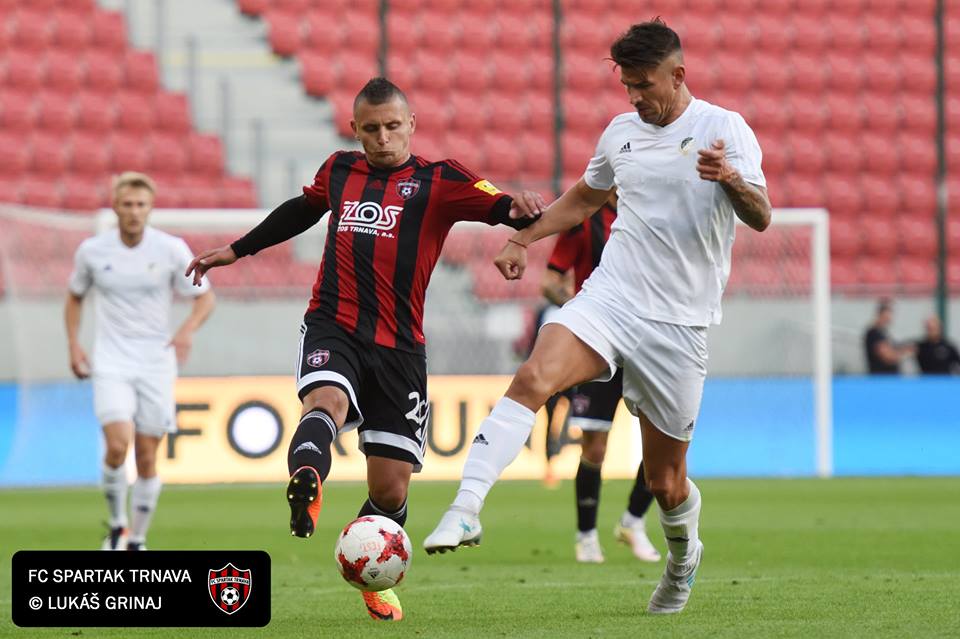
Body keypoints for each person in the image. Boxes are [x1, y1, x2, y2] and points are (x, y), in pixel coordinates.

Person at [424, 20, 771, 616]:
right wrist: (522, 240)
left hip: (680, 325)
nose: (634, 97)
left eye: (643, 84)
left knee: (665, 483)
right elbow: (584, 198)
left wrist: (733, 180)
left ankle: (683, 558)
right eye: (627, 85)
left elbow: (761, 215)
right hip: (611, 299)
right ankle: (466, 506)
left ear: (677, 75)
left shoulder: (723, 128)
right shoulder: (620, 134)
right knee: (533, 376)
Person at [184, 78, 542, 622]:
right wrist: (238, 249)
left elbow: (500, 205)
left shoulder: (439, 179)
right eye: (370, 128)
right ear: (355, 129)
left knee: (392, 490)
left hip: (401, 348)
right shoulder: (339, 170)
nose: (382, 137)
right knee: (323, 400)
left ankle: (367, 568)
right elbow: (302, 209)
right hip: (335, 323)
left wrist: (520, 212)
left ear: (411, 124)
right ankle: (308, 481)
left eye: (392, 126)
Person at [65, 172, 215, 552]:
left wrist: (187, 331)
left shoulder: (170, 249)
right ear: (115, 206)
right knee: (118, 446)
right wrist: (73, 344)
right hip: (111, 360)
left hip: (156, 362)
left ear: (150, 208)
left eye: (140, 205)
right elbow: (75, 296)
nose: (133, 211)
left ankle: (138, 538)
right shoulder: (92, 251)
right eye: (127, 204)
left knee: (147, 455)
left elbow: (205, 297)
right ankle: (117, 525)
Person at [543, 192, 660, 564]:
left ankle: (633, 522)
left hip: (647, 342)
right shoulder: (583, 221)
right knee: (595, 446)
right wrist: (577, 307)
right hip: (600, 344)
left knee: (663, 442)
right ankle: (587, 536)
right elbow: (550, 279)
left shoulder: (653, 216)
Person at [864, 299, 914, 374]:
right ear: (881, 314)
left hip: (890, 378)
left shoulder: (884, 332)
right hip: (881, 379)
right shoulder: (873, 333)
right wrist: (906, 353)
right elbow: (888, 357)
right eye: (888, 314)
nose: (890, 318)